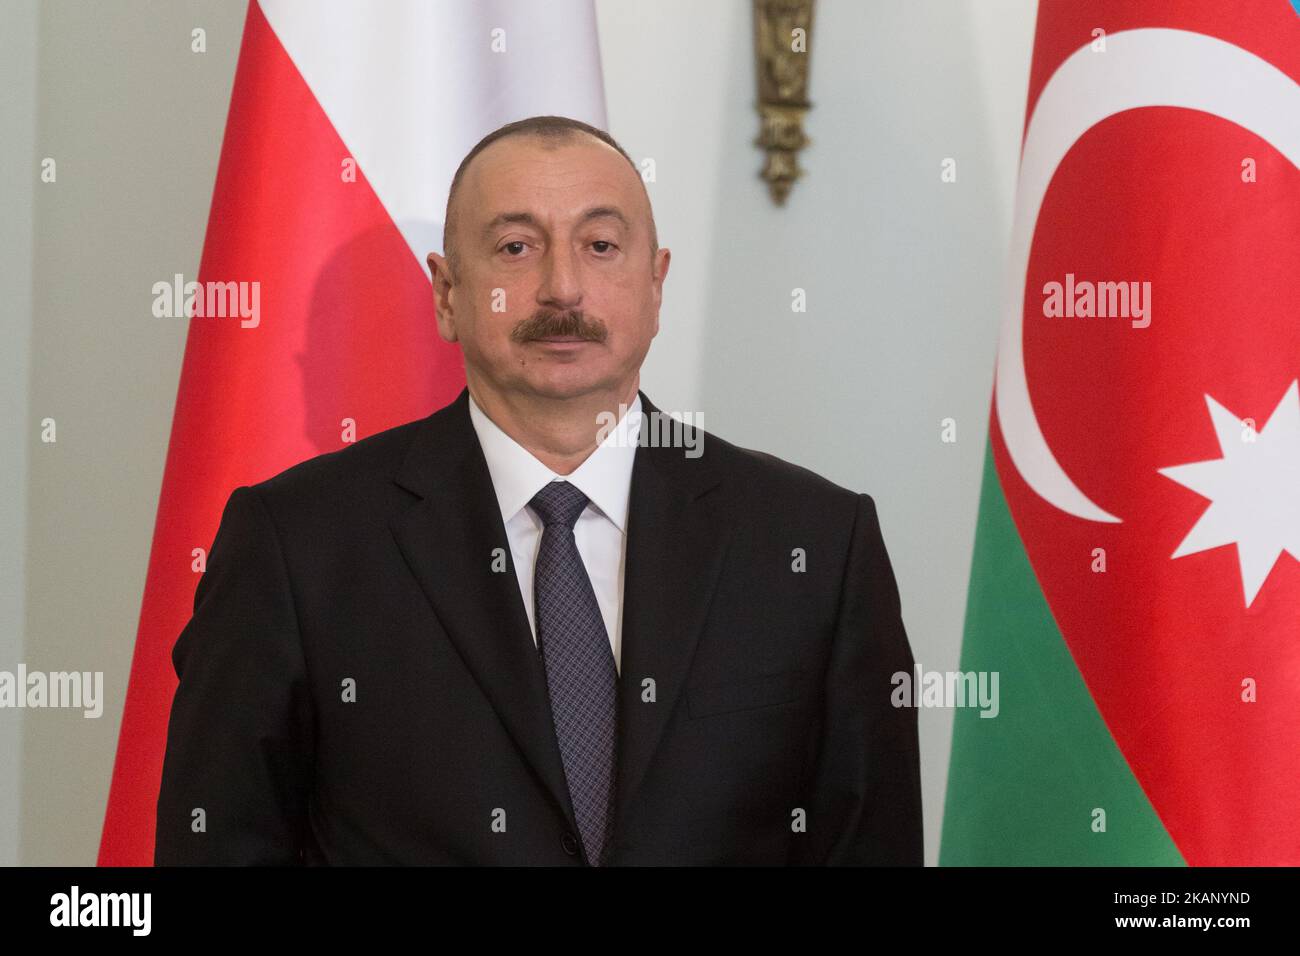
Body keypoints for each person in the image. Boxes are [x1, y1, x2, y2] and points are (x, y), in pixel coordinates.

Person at [154, 115, 922, 866]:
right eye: (516, 248)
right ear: (449, 293)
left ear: (655, 285)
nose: (562, 288)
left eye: (600, 246)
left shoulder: (814, 544)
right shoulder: (297, 544)